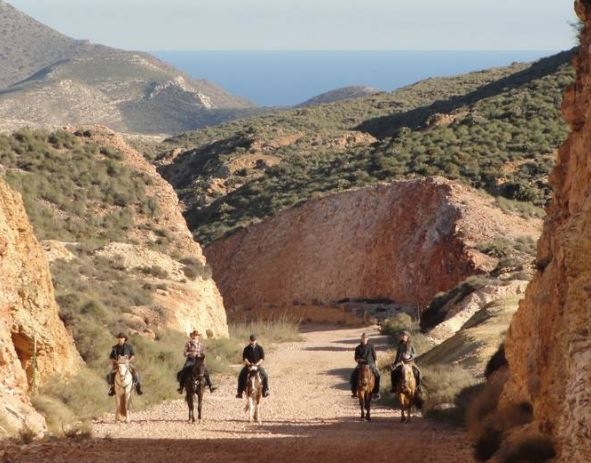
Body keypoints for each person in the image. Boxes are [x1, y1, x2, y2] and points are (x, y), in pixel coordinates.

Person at [236, 334, 270, 398]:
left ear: (256, 341)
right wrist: (249, 363)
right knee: (241, 375)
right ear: (249, 341)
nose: (252, 342)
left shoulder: (260, 348)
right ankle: (239, 392)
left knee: (265, 375)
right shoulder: (246, 349)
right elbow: (244, 358)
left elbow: (262, 358)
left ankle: (266, 390)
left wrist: (257, 364)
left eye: (254, 340)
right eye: (251, 340)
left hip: (257, 366)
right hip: (249, 366)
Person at [350, 332, 381, 400]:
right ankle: (354, 391)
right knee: (353, 375)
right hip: (361, 365)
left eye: (365, 338)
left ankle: (376, 392)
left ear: (367, 339)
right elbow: (356, 358)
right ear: (361, 339)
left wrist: (376, 365)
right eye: (363, 338)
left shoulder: (371, 346)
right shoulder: (358, 348)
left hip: (371, 364)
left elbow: (375, 357)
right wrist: (359, 361)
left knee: (378, 375)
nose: (364, 339)